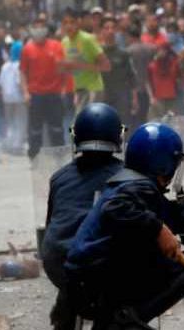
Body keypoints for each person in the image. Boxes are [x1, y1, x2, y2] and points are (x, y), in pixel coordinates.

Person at [65, 122, 184, 328]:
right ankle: (126, 320)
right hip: (96, 282)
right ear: (163, 163)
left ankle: (117, 319)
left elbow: (167, 213)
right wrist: (158, 229)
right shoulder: (137, 187)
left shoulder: (130, 183)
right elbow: (115, 209)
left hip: (85, 280)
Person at [42, 103, 126, 330]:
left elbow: (52, 225)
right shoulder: (129, 177)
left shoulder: (58, 177)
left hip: (58, 269)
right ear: (118, 137)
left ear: (75, 137)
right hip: (101, 274)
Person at [20, 17, 67, 159]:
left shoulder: (56, 46)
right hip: (36, 95)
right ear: (32, 30)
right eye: (36, 27)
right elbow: (22, 72)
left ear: (46, 30)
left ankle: (59, 156)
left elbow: (63, 68)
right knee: (35, 130)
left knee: (57, 128)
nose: (39, 30)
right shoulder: (27, 49)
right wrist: (25, 92)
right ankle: (34, 156)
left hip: (54, 93)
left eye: (42, 27)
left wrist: (64, 88)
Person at [61, 8, 111, 111]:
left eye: (72, 22)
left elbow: (106, 66)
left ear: (78, 23)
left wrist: (82, 65)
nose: (68, 26)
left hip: (93, 89)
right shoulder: (64, 42)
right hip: (77, 91)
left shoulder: (88, 39)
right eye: (65, 23)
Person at [100, 16, 137, 128]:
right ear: (102, 31)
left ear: (116, 31)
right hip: (103, 96)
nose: (110, 31)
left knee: (123, 128)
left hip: (122, 97)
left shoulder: (123, 53)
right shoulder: (97, 53)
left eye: (112, 28)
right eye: (107, 28)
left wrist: (134, 99)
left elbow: (131, 76)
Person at [0, 40, 27, 155]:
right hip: (19, 97)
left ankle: (9, 143)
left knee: (9, 121)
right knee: (21, 120)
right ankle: (17, 145)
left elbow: (0, 83)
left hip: (7, 98)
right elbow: (20, 82)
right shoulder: (20, 66)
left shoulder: (5, 66)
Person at [125, 26, 157, 131]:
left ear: (130, 37)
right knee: (144, 117)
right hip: (148, 88)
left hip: (133, 89)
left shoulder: (127, 51)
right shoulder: (150, 48)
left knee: (133, 119)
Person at [147, 43, 181, 120]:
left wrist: (183, 95)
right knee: (155, 122)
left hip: (172, 99)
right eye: (159, 51)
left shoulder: (174, 64)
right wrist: (151, 97)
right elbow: (148, 82)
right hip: (158, 99)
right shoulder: (152, 65)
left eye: (163, 51)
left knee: (172, 122)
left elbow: (180, 80)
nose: (161, 53)